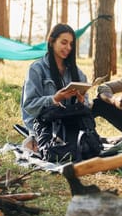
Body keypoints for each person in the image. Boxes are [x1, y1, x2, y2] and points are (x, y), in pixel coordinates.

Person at [21, 23, 100, 161]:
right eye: (64, 43)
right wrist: (54, 99)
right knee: (50, 150)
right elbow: (29, 105)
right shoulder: (37, 69)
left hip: (70, 123)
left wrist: (81, 102)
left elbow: (85, 107)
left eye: (71, 44)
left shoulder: (77, 73)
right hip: (45, 125)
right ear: (52, 41)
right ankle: (35, 140)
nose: (68, 48)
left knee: (87, 148)